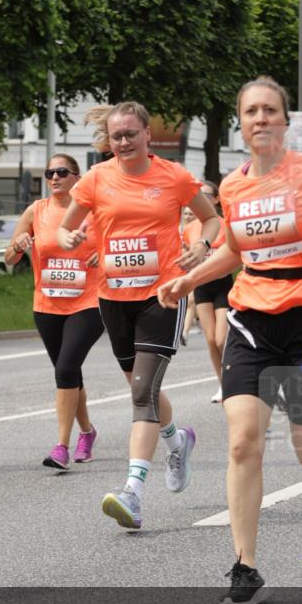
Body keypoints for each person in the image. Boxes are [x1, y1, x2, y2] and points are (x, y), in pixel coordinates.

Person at [158, 77, 302, 604]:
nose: (260, 118)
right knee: (242, 441)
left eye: (270, 110)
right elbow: (237, 250)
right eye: (250, 111)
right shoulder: (233, 186)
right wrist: (188, 281)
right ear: (241, 122)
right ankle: (245, 567)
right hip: (252, 322)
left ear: (284, 120)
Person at [57, 101, 219, 530]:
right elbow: (64, 228)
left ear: (148, 134)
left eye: (131, 134)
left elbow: (211, 221)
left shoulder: (174, 176)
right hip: (113, 297)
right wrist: (70, 236)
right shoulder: (95, 178)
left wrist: (202, 246)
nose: (124, 142)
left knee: (141, 390)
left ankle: (133, 491)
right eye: (116, 136)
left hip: (162, 292)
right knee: (139, 387)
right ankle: (177, 440)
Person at [5, 154, 105, 470]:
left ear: (77, 177)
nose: (55, 177)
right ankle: (87, 432)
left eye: (62, 172)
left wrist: (101, 256)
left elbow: (116, 244)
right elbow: (9, 258)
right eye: (50, 172)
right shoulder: (36, 211)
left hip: (89, 303)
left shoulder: (93, 211)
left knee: (64, 369)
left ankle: (61, 446)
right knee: (69, 374)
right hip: (47, 305)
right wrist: (20, 245)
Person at [183, 181, 233, 403]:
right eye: (197, 194)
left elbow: (234, 256)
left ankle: (236, 379)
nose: (200, 198)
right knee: (211, 340)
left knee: (222, 339)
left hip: (223, 285)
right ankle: (223, 385)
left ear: (215, 200)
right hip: (202, 287)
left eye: (205, 194)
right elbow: (188, 257)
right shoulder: (190, 229)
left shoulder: (226, 224)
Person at [179, 206, 198, 347]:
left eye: (191, 213)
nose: (187, 216)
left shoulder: (198, 230)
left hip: (193, 268)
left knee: (191, 300)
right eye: (185, 213)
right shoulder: (177, 228)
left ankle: (184, 332)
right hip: (176, 267)